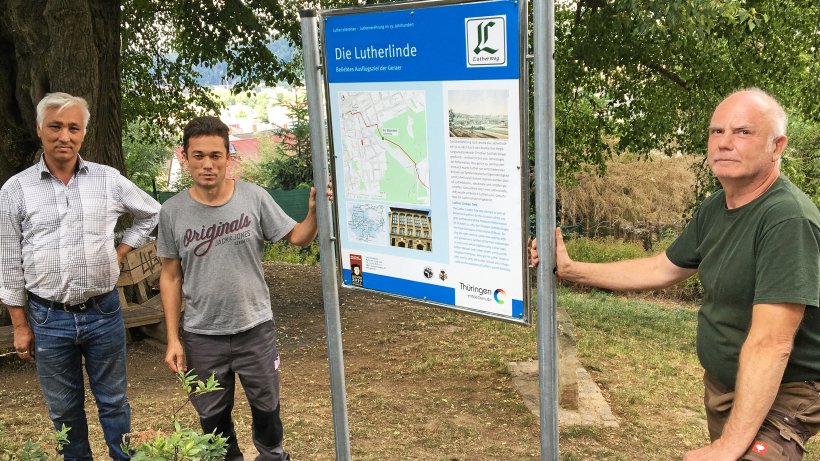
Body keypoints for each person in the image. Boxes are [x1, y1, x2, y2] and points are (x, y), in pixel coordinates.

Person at [532, 88, 819, 460]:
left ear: (776, 146)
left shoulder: (786, 219)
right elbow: (662, 267)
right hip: (729, 387)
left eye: (743, 132)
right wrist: (571, 270)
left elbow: (772, 342)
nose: (725, 143)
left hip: (784, 393)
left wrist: (729, 447)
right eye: (717, 132)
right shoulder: (717, 207)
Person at [0, 92, 161, 459]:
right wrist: (20, 324)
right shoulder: (15, 190)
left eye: (74, 128)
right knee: (64, 411)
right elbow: (8, 261)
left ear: (83, 134)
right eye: (55, 126)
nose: (64, 136)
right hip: (47, 318)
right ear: (40, 130)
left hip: (103, 314)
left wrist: (121, 250)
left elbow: (153, 214)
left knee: (114, 402)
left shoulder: (108, 180)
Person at [157, 116, 318, 460]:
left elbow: (299, 238)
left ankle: (272, 455)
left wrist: (315, 213)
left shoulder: (253, 198)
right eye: (198, 155)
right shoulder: (172, 212)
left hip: (255, 328)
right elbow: (170, 276)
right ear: (184, 157)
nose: (208, 164)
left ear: (228, 157)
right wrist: (173, 338)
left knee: (267, 407)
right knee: (212, 418)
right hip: (202, 335)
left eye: (216, 155)